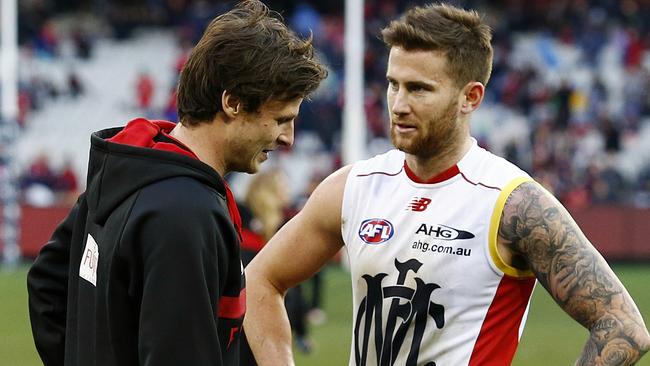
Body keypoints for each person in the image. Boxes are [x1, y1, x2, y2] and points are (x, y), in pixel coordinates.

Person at [244, 3, 650, 366]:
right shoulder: (354, 185)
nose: (399, 104)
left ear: (470, 97)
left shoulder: (513, 203)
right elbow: (260, 280)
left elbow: (623, 328)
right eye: (393, 84)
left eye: (419, 88)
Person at [26, 1, 326, 365]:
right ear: (232, 102)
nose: (288, 139)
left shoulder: (126, 167)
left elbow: (46, 286)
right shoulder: (186, 211)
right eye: (281, 119)